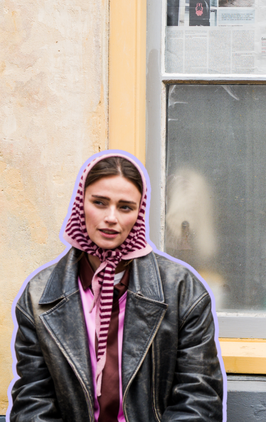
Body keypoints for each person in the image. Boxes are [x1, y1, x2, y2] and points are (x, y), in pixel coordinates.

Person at [9, 151, 225, 421]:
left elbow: (199, 401)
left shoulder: (183, 290)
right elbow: (33, 403)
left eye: (125, 207)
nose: (111, 217)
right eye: (99, 202)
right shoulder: (38, 297)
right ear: (80, 204)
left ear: (139, 213)